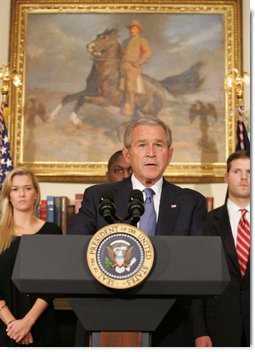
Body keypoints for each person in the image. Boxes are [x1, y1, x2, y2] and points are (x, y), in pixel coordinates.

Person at [68, 116, 207, 346]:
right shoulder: (100, 197)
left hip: (172, 326)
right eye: (142, 145)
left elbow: (201, 270)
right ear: (127, 153)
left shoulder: (191, 202)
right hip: (108, 319)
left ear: (169, 154)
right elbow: (74, 253)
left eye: (159, 145)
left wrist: (200, 331)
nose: (151, 153)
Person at [193, 150, 250, 347]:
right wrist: (199, 331)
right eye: (237, 172)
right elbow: (197, 280)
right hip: (220, 328)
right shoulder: (206, 223)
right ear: (226, 176)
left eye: (250, 171)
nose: (244, 178)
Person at [0, 167, 62, 346]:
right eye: (15, 189)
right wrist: (13, 325)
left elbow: (52, 282)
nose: (21, 194)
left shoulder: (52, 232)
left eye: (27, 188)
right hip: (5, 329)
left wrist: (27, 323)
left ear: (36, 193)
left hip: (42, 325)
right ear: (8, 195)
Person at [120, 19, 152, 116]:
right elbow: (121, 53)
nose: (131, 30)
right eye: (130, 28)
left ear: (138, 29)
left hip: (133, 67)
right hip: (122, 66)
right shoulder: (125, 41)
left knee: (129, 84)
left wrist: (139, 62)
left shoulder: (142, 40)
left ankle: (130, 106)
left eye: (134, 28)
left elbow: (148, 52)